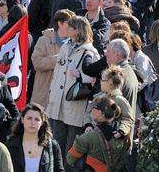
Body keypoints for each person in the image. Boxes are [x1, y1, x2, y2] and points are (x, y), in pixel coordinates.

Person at [47, 16, 98, 167]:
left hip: (75, 106)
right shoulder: (65, 46)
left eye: (70, 26)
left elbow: (96, 79)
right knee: (56, 143)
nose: (66, 28)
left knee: (71, 147)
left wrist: (81, 76)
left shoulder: (90, 51)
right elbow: (57, 73)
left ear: (77, 30)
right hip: (58, 103)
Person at [66, 96, 126, 172]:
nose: (92, 110)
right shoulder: (122, 134)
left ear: (100, 113)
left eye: (93, 107)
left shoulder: (87, 138)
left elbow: (70, 159)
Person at [31, 10, 74, 110]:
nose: (71, 27)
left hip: (63, 97)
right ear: (59, 23)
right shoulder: (44, 40)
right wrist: (59, 58)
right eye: (69, 23)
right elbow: (37, 63)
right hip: (43, 96)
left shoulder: (73, 44)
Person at [5, 103, 65, 172]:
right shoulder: (10, 145)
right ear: (22, 119)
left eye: (37, 119)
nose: (32, 122)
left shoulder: (52, 146)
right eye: (29, 118)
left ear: (42, 122)